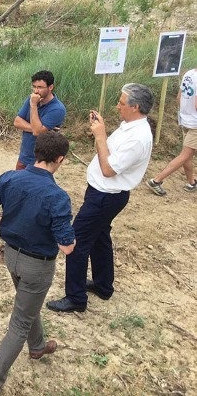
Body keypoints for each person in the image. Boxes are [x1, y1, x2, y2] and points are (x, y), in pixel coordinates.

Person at [0, 131, 76, 396]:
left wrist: (3, 223)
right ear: (60, 159)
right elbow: (67, 246)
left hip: (11, 256)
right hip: (37, 265)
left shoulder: (9, 178)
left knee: (27, 305)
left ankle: (38, 345)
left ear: (36, 151)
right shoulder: (57, 197)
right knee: (19, 323)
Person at [47, 83, 154, 313]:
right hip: (102, 192)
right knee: (100, 237)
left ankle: (75, 298)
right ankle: (103, 285)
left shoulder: (138, 138)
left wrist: (101, 135)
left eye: (122, 102)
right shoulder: (130, 126)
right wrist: (101, 132)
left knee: (76, 241)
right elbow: (109, 157)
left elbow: (108, 169)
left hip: (107, 195)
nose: (118, 106)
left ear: (135, 107)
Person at [146, 67, 197, 195]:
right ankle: (156, 181)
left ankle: (191, 182)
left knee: (187, 154)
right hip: (195, 123)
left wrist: (185, 114)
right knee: (185, 155)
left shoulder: (189, 74)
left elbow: (179, 97)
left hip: (186, 120)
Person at [13, 70, 66, 170]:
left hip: (42, 161)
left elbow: (37, 132)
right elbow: (17, 122)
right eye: (34, 86)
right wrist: (38, 129)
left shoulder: (57, 109)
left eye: (40, 87)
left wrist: (33, 105)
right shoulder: (32, 98)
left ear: (50, 87)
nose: (36, 91)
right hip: (25, 155)